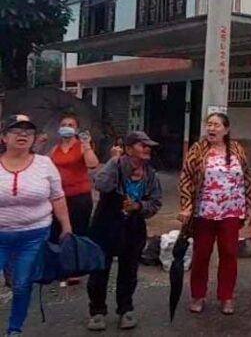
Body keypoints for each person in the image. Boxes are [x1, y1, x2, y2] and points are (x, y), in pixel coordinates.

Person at [0, 115, 73, 337]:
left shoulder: (45, 164)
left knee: (22, 284)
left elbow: (57, 197)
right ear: (3, 137)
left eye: (28, 132)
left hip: (33, 236)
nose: (23, 135)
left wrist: (66, 227)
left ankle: (14, 329)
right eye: (16, 130)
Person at [177, 113, 251, 315]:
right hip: (205, 210)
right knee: (202, 254)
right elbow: (186, 177)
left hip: (232, 210)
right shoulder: (198, 149)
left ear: (226, 130)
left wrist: (249, 206)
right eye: (209, 124)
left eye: (216, 125)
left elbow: (246, 178)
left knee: (229, 253)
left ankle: (226, 296)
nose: (211, 128)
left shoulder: (237, 149)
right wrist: (186, 205)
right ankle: (198, 295)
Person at [87, 131, 163, 331]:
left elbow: (155, 202)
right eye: (142, 145)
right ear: (128, 149)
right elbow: (100, 184)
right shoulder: (116, 165)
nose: (147, 149)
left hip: (133, 226)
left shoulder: (150, 174)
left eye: (149, 146)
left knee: (129, 271)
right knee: (99, 270)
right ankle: (97, 311)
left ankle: (125, 309)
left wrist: (138, 207)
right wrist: (113, 162)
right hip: (106, 224)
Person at [49, 113, 100, 286]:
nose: (67, 127)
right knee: (57, 231)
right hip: (59, 197)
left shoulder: (81, 146)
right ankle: (59, 267)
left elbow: (93, 164)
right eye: (64, 124)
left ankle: (75, 270)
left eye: (71, 125)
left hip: (80, 196)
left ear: (77, 129)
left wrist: (86, 145)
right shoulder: (54, 149)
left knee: (78, 231)